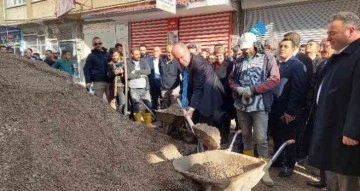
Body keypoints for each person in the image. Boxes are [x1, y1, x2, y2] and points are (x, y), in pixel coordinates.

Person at [308, 11, 360, 191]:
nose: (328, 39)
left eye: (332, 33)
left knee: (346, 180)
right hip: (332, 130)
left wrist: (353, 130)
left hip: (347, 136)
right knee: (333, 178)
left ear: (350, 30)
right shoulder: (341, 55)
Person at [229, 32, 280, 160]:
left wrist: (253, 89)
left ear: (254, 45)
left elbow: (274, 79)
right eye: (243, 48)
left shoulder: (267, 58)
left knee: (261, 139)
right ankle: (249, 162)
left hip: (259, 107)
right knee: (246, 136)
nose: (245, 51)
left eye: (247, 48)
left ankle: (264, 168)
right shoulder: (239, 60)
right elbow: (231, 79)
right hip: (241, 106)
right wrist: (237, 88)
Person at [269, 38, 306, 177]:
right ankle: (278, 159)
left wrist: (291, 111)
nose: (282, 48)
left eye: (286, 46)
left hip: (287, 110)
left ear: (293, 48)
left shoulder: (297, 65)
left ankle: (289, 165)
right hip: (275, 108)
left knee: (289, 138)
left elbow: (298, 90)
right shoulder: (279, 64)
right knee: (277, 136)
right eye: (281, 46)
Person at [304, 38, 335, 189]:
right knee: (321, 145)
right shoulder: (323, 64)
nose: (322, 49)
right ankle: (323, 180)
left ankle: (331, 183)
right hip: (318, 111)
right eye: (321, 46)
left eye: (325, 46)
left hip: (332, 114)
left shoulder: (339, 65)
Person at [172, 43, 224, 126]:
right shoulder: (186, 62)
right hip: (200, 96)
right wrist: (181, 94)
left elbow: (198, 88)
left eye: (182, 57)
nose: (180, 61)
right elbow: (187, 81)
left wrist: (191, 108)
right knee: (197, 122)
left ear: (187, 52)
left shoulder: (199, 64)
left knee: (207, 125)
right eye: (177, 59)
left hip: (210, 95)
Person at [283, 32, 313, 161]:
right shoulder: (285, 59)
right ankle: (282, 157)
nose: (282, 48)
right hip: (285, 104)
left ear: (293, 45)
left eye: (286, 44)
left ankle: (294, 159)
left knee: (295, 133)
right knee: (283, 133)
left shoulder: (303, 60)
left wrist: (296, 107)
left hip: (297, 106)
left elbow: (303, 85)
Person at [212, 46, 235, 144]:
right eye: (217, 56)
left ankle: (225, 137)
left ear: (224, 55)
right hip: (216, 94)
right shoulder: (212, 65)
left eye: (220, 55)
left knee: (226, 116)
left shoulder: (229, 64)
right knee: (216, 116)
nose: (218, 58)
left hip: (227, 94)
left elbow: (230, 79)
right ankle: (217, 135)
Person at [127, 48, 153, 127]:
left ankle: (148, 123)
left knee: (148, 104)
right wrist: (141, 75)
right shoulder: (128, 63)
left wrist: (136, 72)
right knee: (136, 105)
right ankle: (138, 122)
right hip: (134, 88)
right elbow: (129, 75)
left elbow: (148, 71)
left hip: (144, 87)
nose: (138, 56)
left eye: (139, 54)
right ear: (132, 55)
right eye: (136, 54)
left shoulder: (143, 61)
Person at [83, 37, 112, 102]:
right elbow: (86, 69)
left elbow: (113, 65)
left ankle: (111, 112)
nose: (98, 45)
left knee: (112, 101)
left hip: (109, 81)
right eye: (96, 44)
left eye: (99, 43)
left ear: (102, 44)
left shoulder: (107, 55)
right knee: (99, 102)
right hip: (98, 82)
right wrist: (88, 81)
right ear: (93, 45)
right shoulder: (91, 56)